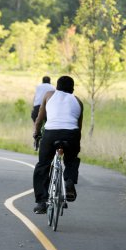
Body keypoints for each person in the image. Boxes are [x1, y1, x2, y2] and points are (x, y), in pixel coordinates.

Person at [33, 75, 83, 214]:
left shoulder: (49, 95)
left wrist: (36, 133)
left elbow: (39, 119)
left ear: (57, 86)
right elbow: (79, 128)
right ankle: (69, 181)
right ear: (72, 89)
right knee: (72, 159)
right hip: (71, 134)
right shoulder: (78, 101)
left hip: (51, 134)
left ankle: (42, 203)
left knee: (43, 165)